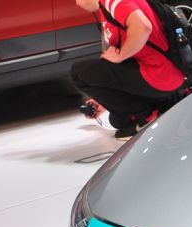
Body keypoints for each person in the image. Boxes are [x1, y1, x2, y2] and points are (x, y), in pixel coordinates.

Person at [72, 0, 185, 140]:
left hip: (158, 75)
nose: (77, 4)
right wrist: (105, 100)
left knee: (78, 73)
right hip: (168, 76)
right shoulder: (106, 7)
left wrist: (121, 54)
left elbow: (143, 26)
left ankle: (146, 118)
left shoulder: (112, 2)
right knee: (118, 120)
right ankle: (167, 102)